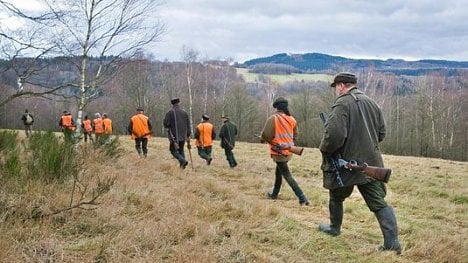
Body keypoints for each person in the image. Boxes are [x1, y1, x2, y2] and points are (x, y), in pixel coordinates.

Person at [318, 72, 401, 254]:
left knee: (336, 196)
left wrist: (324, 149)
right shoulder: (372, 103)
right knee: (379, 203)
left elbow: (334, 136)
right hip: (370, 163)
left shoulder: (342, 103)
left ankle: (334, 228)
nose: (336, 91)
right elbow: (381, 134)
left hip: (345, 164)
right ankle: (393, 244)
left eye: (336, 87)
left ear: (341, 85)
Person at [261, 97, 309, 206]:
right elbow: (295, 135)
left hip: (279, 152)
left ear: (276, 107)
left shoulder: (273, 119)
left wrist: (263, 139)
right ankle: (274, 194)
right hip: (288, 151)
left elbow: (266, 135)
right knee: (279, 172)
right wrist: (288, 144)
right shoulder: (292, 119)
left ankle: (302, 198)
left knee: (287, 175)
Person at [163, 97, 191, 169]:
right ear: (179, 103)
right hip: (183, 136)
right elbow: (188, 124)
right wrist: (188, 135)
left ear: (172, 104)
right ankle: (182, 166)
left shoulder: (170, 112)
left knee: (172, 150)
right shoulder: (184, 113)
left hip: (174, 136)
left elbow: (166, 124)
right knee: (181, 149)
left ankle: (182, 160)